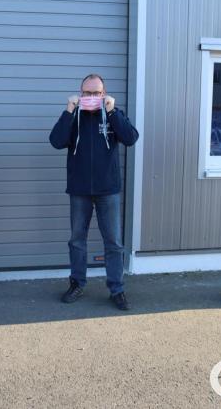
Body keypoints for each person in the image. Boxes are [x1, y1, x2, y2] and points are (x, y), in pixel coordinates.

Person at [49, 74, 139, 310]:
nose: (91, 97)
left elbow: (131, 138)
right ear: (80, 94)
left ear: (104, 93)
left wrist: (112, 112)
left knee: (113, 242)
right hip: (79, 190)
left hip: (108, 190)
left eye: (96, 93)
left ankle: (117, 289)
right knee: (77, 240)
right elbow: (56, 141)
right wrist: (68, 111)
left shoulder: (112, 114)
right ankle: (77, 283)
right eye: (87, 93)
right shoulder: (74, 116)